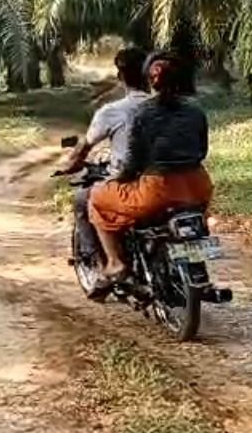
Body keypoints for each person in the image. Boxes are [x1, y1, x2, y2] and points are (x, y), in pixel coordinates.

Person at [89, 51, 213, 287]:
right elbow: (202, 150)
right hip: (198, 186)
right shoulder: (196, 111)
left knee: (97, 197)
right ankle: (198, 266)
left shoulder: (143, 113)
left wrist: (120, 178)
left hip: (158, 190)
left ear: (149, 79)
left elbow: (133, 160)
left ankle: (115, 262)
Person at [60, 46, 151, 266]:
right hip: (170, 180)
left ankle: (108, 263)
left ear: (120, 76)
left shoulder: (113, 111)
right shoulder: (166, 108)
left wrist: (71, 165)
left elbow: (85, 146)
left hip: (132, 184)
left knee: (85, 199)